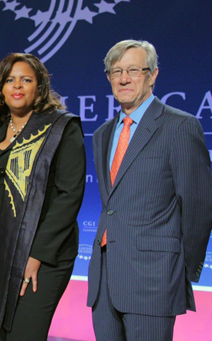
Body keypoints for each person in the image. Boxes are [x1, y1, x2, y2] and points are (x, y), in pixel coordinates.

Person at [87, 40, 212, 341]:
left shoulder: (179, 126)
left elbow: (198, 205)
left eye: (133, 70)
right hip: (104, 281)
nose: (123, 78)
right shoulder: (103, 133)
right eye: (116, 71)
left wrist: (178, 270)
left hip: (154, 280)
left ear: (153, 74)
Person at [0, 53, 86, 340]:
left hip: (41, 255)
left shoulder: (61, 128)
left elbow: (69, 195)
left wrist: (36, 254)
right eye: (10, 80)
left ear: (39, 87)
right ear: (0, 88)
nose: (17, 86)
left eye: (26, 80)